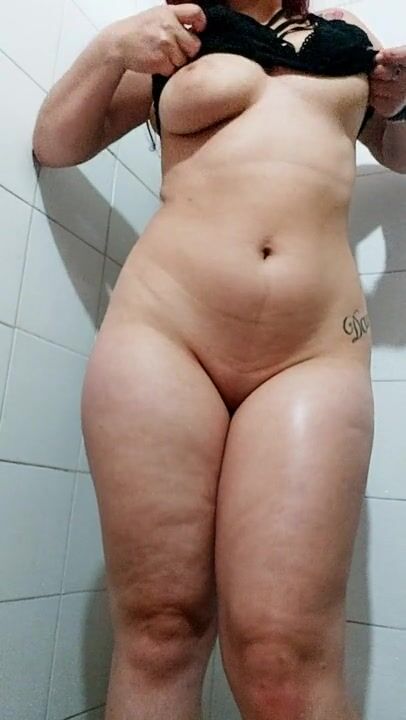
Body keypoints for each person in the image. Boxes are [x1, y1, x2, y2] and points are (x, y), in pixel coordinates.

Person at [33, 1, 406, 718]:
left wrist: (401, 104)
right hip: (166, 334)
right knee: (161, 631)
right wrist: (111, 47)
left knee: (284, 657)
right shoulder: (176, 33)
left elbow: (398, 152)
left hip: (312, 352)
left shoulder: (346, 35)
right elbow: (55, 142)